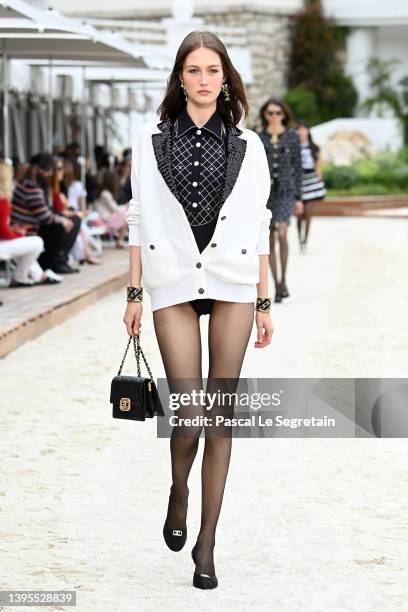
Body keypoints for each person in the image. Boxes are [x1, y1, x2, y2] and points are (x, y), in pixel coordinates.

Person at [123, 30, 274, 590]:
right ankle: (179, 490)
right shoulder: (151, 138)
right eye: (194, 70)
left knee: (220, 415)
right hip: (172, 280)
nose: (205, 80)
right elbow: (137, 216)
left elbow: (260, 222)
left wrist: (264, 301)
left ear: (226, 78)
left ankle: (207, 542)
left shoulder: (249, 144)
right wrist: (134, 293)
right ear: (180, 78)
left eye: (214, 71)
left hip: (234, 281)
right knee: (188, 414)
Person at [257, 98, 304, 302]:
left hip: (286, 192)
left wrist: (299, 197)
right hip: (266, 194)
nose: (274, 116)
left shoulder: (292, 136)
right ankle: (276, 284)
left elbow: (298, 168)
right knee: (270, 237)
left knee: (283, 233)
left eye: (278, 112)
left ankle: (284, 278)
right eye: (270, 113)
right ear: (265, 115)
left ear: (284, 114)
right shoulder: (259, 137)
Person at [11, 153, 82, 274]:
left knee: (71, 221)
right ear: (39, 170)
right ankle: (51, 263)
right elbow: (46, 217)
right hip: (27, 230)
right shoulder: (32, 187)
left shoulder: (28, 184)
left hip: (28, 227)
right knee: (60, 226)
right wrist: (64, 221)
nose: (50, 174)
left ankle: (59, 260)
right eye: (48, 171)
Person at [0, 161, 62, 286]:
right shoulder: (3, 200)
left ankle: (35, 276)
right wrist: (18, 233)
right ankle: (22, 277)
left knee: (26, 244)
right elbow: (3, 231)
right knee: (37, 242)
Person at [297, 119, 327, 251]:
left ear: (308, 131)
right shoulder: (294, 146)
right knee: (299, 214)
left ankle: (305, 240)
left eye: (304, 129)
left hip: (312, 183)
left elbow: (318, 167)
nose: (302, 131)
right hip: (299, 183)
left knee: (308, 214)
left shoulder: (314, 148)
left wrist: (320, 181)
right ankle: (299, 238)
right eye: (300, 129)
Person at [94, 170, 128, 248]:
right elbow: (114, 208)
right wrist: (126, 206)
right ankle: (120, 240)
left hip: (105, 217)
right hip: (105, 219)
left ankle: (120, 240)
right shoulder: (106, 194)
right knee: (126, 217)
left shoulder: (104, 192)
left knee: (125, 216)